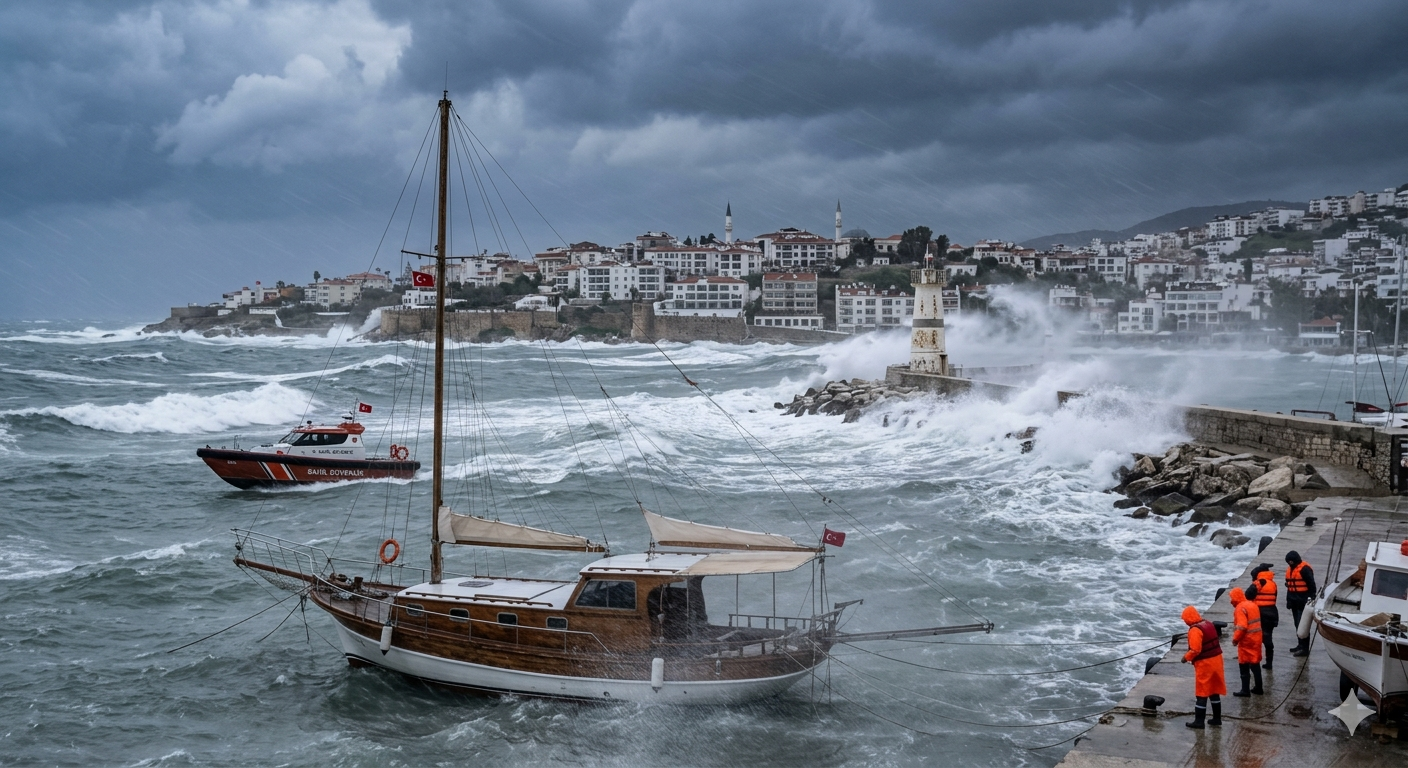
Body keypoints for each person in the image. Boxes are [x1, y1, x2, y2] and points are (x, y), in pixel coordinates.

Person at [1180, 605, 1225, 729]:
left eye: (1185, 619)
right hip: (1217, 660)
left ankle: (1199, 722)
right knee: (1214, 691)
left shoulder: (1195, 630)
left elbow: (1195, 650)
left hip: (1206, 664)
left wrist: (1185, 658)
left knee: (1202, 692)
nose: (1184, 622)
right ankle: (1217, 719)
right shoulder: (1208, 624)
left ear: (1188, 618)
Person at [1229, 587, 1264, 696]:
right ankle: (1259, 688)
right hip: (1257, 638)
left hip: (1246, 641)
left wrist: (1235, 639)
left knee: (1243, 665)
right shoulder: (1253, 605)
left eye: (1231, 598)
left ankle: (1245, 690)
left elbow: (1242, 627)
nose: (1231, 601)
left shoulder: (1240, 608)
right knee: (1255, 664)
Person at [1284, 551, 1316, 657]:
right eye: (1288, 562)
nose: (1290, 563)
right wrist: (1288, 601)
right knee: (1297, 625)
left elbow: (1311, 585)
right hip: (1294, 602)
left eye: (1291, 561)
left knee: (1303, 626)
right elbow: (1289, 588)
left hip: (1303, 602)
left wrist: (1312, 598)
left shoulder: (1305, 569)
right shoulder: (1290, 570)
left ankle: (1305, 649)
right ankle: (1300, 645)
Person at [1251, 565, 1279, 669]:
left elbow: (1248, 595)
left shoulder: (1258, 582)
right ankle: (1269, 662)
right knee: (1268, 638)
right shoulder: (1273, 583)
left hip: (1259, 614)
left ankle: (1254, 660)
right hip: (1271, 613)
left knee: (1256, 639)